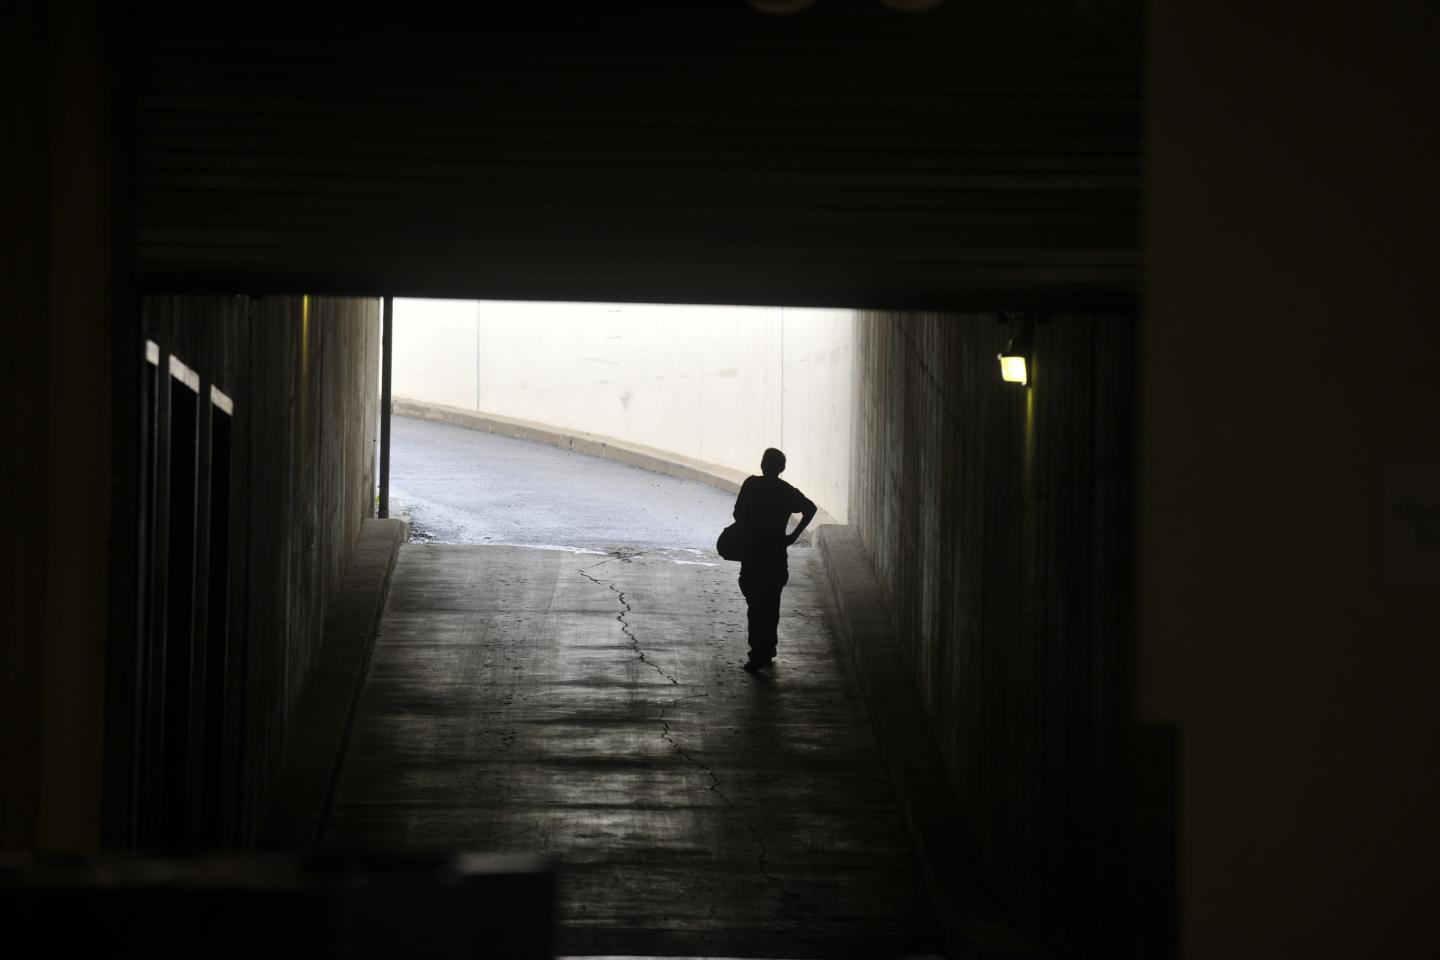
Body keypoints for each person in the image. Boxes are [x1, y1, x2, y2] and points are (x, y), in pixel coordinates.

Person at [731, 447, 817, 673]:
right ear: (782, 469)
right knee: (771, 604)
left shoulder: (751, 485)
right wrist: (792, 537)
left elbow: (738, 515)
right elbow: (810, 508)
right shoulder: (786, 491)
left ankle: (756, 654)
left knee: (755, 606)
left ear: (762, 464)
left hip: (753, 554)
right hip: (776, 555)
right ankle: (767, 648)